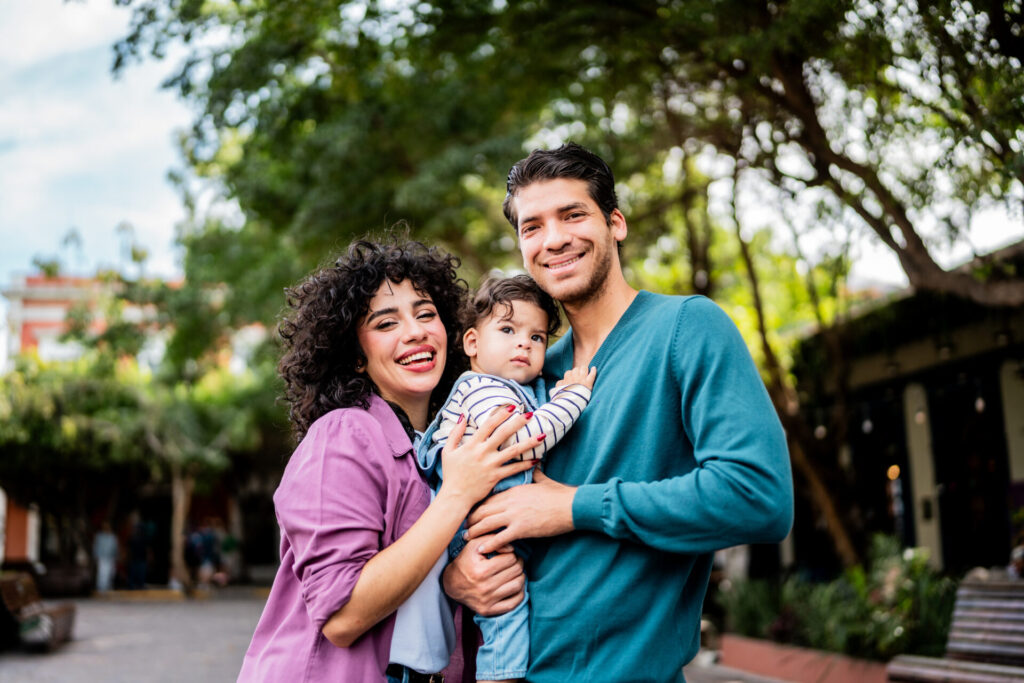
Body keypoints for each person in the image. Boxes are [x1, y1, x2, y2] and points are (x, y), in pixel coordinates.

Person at [443, 144, 794, 682]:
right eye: (532, 226)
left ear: (616, 224)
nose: (554, 238)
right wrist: (456, 574)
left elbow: (758, 497)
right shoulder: (526, 376)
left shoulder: (687, 328)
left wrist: (574, 507)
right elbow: (451, 498)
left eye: (572, 215)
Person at [238, 239, 539, 683]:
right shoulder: (345, 435)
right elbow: (342, 615)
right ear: (356, 356)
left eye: (425, 313)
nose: (415, 331)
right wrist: (456, 495)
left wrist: (453, 581)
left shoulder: (440, 442)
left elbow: (420, 582)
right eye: (385, 323)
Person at [417, 275, 596, 682]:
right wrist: (574, 398)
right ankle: (501, 677)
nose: (524, 344)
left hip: (499, 521)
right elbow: (524, 441)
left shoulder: (514, 389)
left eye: (537, 338)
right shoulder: (482, 389)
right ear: (473, 343)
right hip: (482, 529)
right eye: (508, 329)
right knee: (505, 611)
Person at [92, 522, 119, 593]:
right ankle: (101, 589)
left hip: (111, 557)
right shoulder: (99, 536)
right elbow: (96, 547)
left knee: (111, 573)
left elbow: (115, 548)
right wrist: (96, 556)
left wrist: (116, 556)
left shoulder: (112, 537)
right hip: (102, 557)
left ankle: (108, 588)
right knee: (102, 573)